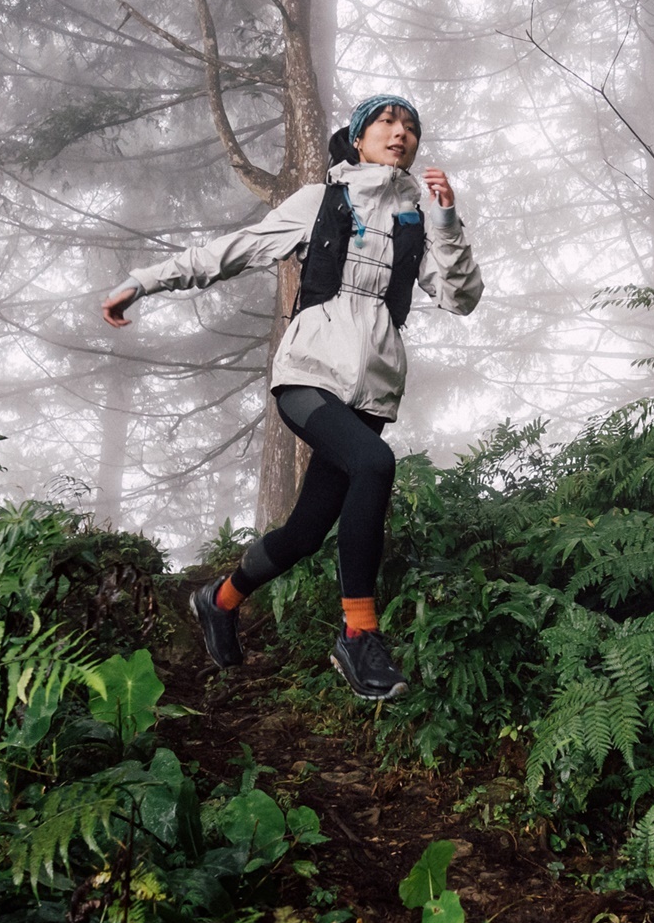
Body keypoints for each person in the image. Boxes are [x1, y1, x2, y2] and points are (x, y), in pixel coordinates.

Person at [100, 94, 483, 699]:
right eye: (387, 121)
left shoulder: (417, 220)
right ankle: (359, 636)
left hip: (372, 394)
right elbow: (228, 252)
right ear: (358, 138)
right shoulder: (320, 200)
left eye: (411, 127)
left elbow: (461, 299)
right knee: (374, 464)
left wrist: (445, 220)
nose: (401, 132)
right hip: (307, 373)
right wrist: (142, 282)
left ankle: (218, 601)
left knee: (306, 532)